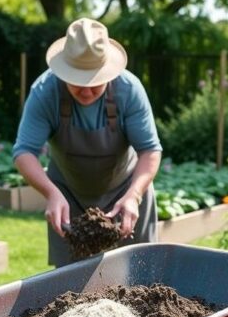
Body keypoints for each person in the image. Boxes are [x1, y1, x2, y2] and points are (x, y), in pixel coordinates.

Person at [12, 18, 162, 267]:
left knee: (141, 277)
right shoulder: (45, 91)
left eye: (94, 82)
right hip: (67, 196)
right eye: (77, 82)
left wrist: (134, 195)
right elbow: (24, 151)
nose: (86, 91)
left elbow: (150, 150)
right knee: (70, 291)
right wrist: (51, 193)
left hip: (127, 191)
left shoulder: (129, 90)